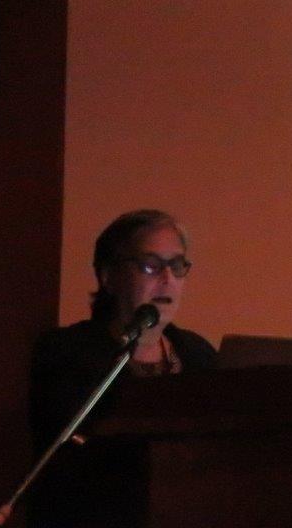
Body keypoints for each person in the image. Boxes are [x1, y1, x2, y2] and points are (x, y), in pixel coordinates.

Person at [29, 210, 217, 526]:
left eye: (176, 265)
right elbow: (71, 462)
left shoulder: (199, 356)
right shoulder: (66, 352)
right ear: (109, 276)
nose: (168, 279)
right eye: (150, 265)